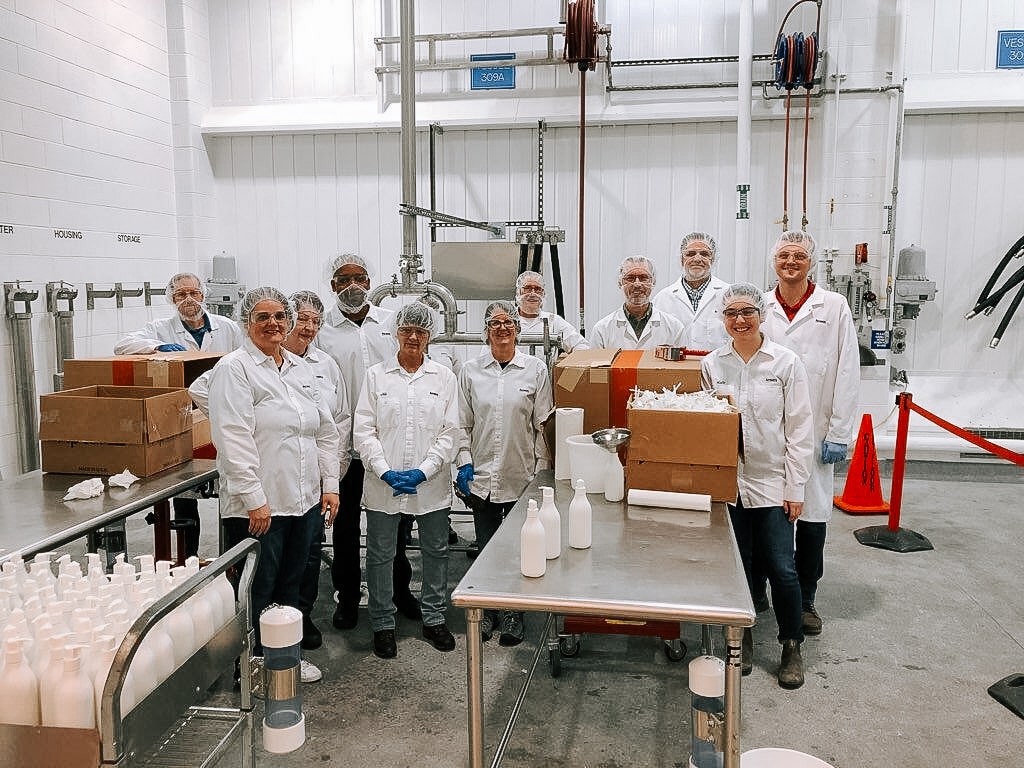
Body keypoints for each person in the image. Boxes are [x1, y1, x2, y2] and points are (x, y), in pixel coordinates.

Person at [207, 286, 341, 684]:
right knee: (257, 588)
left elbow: (325, 432)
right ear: (248, 323)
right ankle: (249, 666)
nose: (273, 324)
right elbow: (233, 438)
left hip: (302, 501)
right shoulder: (235, 369)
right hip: (260, 506)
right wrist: (254, 498)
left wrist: (329, 484)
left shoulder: (299, 369)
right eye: (263, 317)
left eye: (280, 316)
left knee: (292, 585)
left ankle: (285, 660)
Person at [700, 282, 814, 689]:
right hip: (731, 483)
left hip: (772, 482)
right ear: (722, 319)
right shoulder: (714, 365)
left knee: (782, 567)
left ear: (762, 314)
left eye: (747, 312)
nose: (739, 320)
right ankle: (743, 636)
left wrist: (795, 487)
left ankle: (791, 643)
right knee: (740, 565)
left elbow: (800, 429)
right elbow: (710, 425)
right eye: (731, 313)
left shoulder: (785, 363)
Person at [758, 231, 860, 636]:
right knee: (767, 515)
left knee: (813, 517)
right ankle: (762, 588)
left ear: (811, 262)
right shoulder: (761, 306)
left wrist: (839, 430)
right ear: (773, 262)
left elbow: (847, 370)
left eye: (799, 255)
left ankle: (807, 598)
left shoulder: (832, 306)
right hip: (768, 432)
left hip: (816, 431)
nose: (791, 262)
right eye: (783, 255)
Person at [315, 254, 421, 631]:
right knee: (344, 527)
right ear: (332, 286)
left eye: (360, 278)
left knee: (394, 524)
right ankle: (347, 597)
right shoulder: (323, 331)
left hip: (387, 444)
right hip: (345, 447)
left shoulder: (390, 324)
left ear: (371, 281)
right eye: (343, 279)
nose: (353, 286)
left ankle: (399, 590)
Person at [352, 303, 460, 659]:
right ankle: (383, 622)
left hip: (430, 485)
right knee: (381, 554)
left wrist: (423, 471)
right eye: (407, 330)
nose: (413, 337)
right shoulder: (375, 377)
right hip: (383, 484)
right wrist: (385, 470)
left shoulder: (443, 377)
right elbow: (364, 430)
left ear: (430, 335)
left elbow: (450, 432)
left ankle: (434, 617)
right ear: (396, 332)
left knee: (436, 551)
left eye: (421, 331)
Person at [116, 272, 243, 559]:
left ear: (203, 294)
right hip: (183, 417)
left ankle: (234, 557)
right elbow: (123, 345)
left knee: (232, 493)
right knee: (185, 498)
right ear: (172, 300)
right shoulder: (161, 328)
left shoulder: (227, 328)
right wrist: (158, 347)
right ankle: (189, 558)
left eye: (193, 293)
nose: (188, 300)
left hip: (226, 412)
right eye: (180, 295)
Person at [456, 300, 553, 646]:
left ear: (517, 329)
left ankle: (514, 613)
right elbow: (462, 423)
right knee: (485, 550)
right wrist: (463, 461)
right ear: (485, 331)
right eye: (495, 323)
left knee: (517, 548)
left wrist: (540, 472)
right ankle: (486, 612)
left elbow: (543, 425)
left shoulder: (535, 369)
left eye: (508, 322)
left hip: (519, 474)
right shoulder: (470, 371)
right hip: (481, 475)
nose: (502, 328)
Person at [281, 291, 353, 654]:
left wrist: (332, 479)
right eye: (302, 319)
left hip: (314, 479)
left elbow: (338, 423)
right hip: (276, 479)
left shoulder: (326, 364)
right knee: (276, 556)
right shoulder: (265, 362)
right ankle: (269, 623)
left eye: (315, 321)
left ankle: (302, 615)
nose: (308, 327)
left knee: (310, 553)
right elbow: (204, 390)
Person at [652, 231, 730, 350]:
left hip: (718, 367)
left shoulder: (729, 294)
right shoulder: (662, 299)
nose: (697, 258)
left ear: (713, 259)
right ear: (681, 259)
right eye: (690, 253)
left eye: (704, 254)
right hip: (675, 366)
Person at [591, 256, 686, 349]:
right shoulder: (602, 330)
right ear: (620, 283)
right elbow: (593, 363)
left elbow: (683, 364)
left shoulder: (674, 328)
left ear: (653, 282)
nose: (637, 284)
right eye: (630, 278)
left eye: (643, 277)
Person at [513, 271, 590, 356]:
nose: (533, 293)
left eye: (538, 289)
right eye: (527, 288)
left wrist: (570, 364)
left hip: (545, 369)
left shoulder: (553, 320)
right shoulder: (507, 320)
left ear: (543, 294)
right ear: (518, 292)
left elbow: (581, 345)